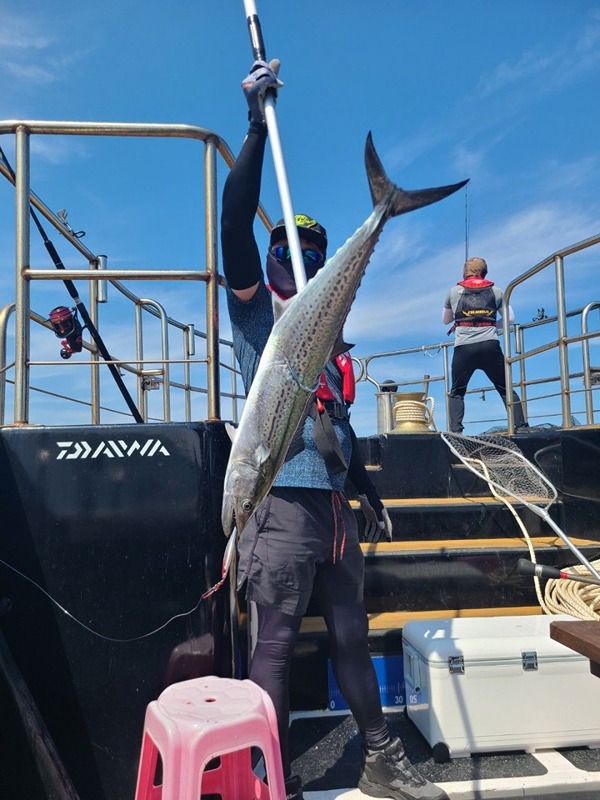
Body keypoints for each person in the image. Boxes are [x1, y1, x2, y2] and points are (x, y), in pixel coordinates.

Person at [221, 60, 449, 800]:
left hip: (335, 511)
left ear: (324, 266)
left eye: (311, 254)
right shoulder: (259, 318)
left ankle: (382, 760)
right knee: (277, 647)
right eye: (285, 251)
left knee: (352, 634)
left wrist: (359, 492)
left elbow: (337, 428)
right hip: (280, 507)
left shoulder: (330, 331)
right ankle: (266, 775)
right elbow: (234, 222)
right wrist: (257, 125)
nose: (296, 261)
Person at [442, 256, 528, 433]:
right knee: (505, 387)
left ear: (465, 271)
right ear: (484, 271)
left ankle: (456, 432)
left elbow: (445, 320)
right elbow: (510, 319)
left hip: (464, 347)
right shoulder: (496, 291)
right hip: (490, 345)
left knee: (457, 392)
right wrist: (491, 324)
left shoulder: (453, 292)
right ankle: (521, 426)